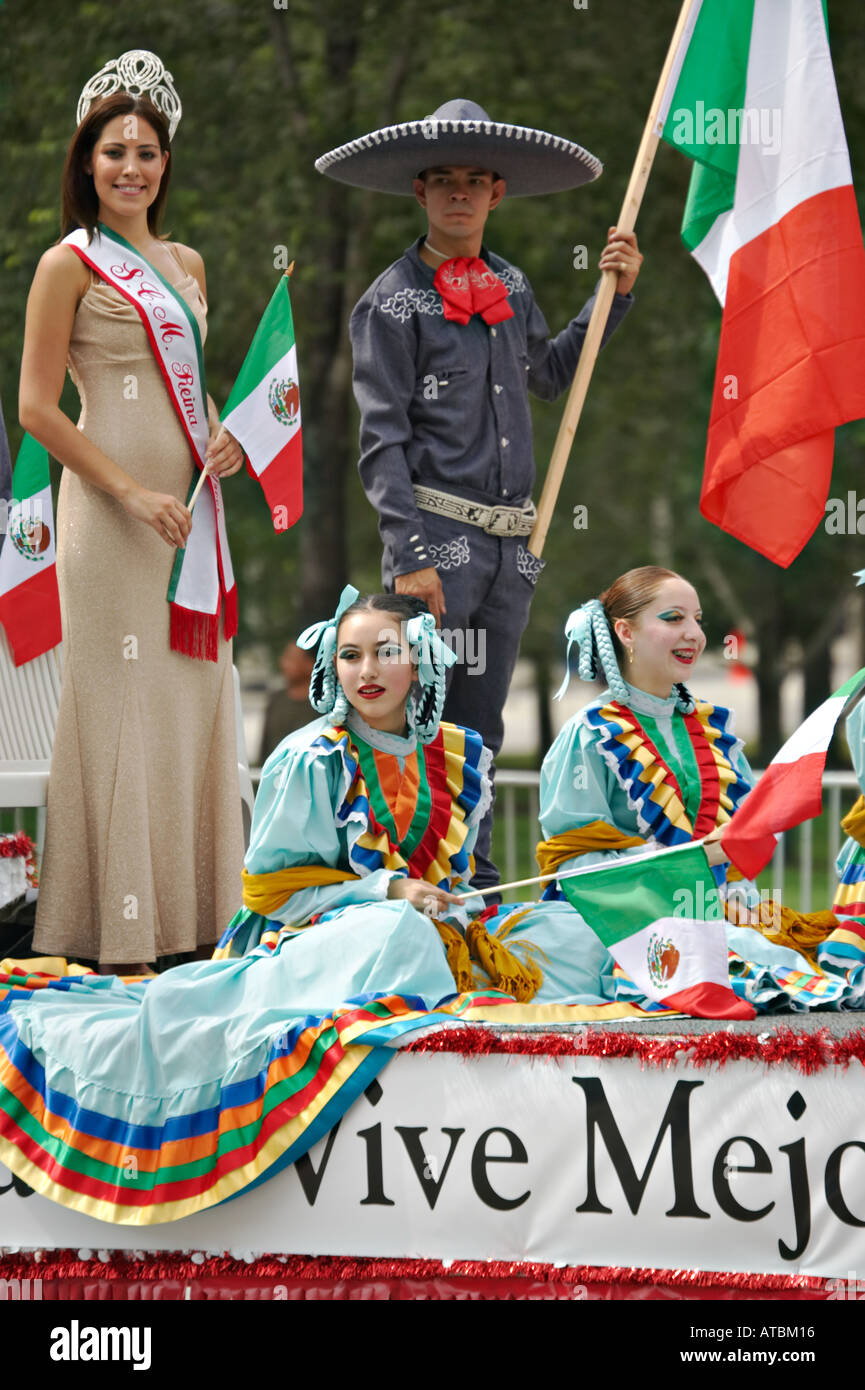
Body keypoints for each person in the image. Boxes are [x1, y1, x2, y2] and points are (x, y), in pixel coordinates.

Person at [0, 587, 548, 1225]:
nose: (366, 671)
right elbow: (270, 894)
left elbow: (459, 871)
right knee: (394, 929)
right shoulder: (311, 756)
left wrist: (449, 906)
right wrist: (389, 891)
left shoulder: (462, 755)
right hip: (306, 941)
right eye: (349, 655)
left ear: (421, 657)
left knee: (552, 927)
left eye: (385, 652)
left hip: (417, 935)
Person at [316, 98, 643, 892]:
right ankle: (397, 882)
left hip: (509, 550)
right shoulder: (389, 302)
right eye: (441, 181)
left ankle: (477, 886)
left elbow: (550, 375)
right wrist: (409, 556)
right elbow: (381, 441)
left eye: (473, 180)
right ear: (419, 193)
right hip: (436, 542)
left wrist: (610, 296)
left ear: (496, 192)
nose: (457, 193)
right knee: (411, 719)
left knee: (481, 725)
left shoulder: (510, 284)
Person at [18, 52, 245, 972]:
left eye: (147, 152)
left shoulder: (186, 263)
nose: (130, 169)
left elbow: (184, 395)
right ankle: (111, 938)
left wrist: (223, 439)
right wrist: (131, 491)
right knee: (119, 705)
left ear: (165, 162)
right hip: (111, 523)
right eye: (114, 152)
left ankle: (191, 929)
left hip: (187, 522)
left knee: (189, 700)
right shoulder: (64, 265)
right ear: (86, 162)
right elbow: (37, 408)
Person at [498, 565, 865, 1012]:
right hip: (624, 920)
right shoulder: (588, 734)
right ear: (625, 632)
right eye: (673, 618)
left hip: (727, 912)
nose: (693, 633)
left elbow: (745, 834)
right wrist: (691, 859)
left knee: (811, 959)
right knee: (753, 971)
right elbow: (577, 865)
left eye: (698, 619)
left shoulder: (713, 729)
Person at [256, 641, 316, 765]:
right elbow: (265, 747)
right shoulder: (276, 699)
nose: (284, 664)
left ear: (310, 663)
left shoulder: (324, 704)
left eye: (291, 659)